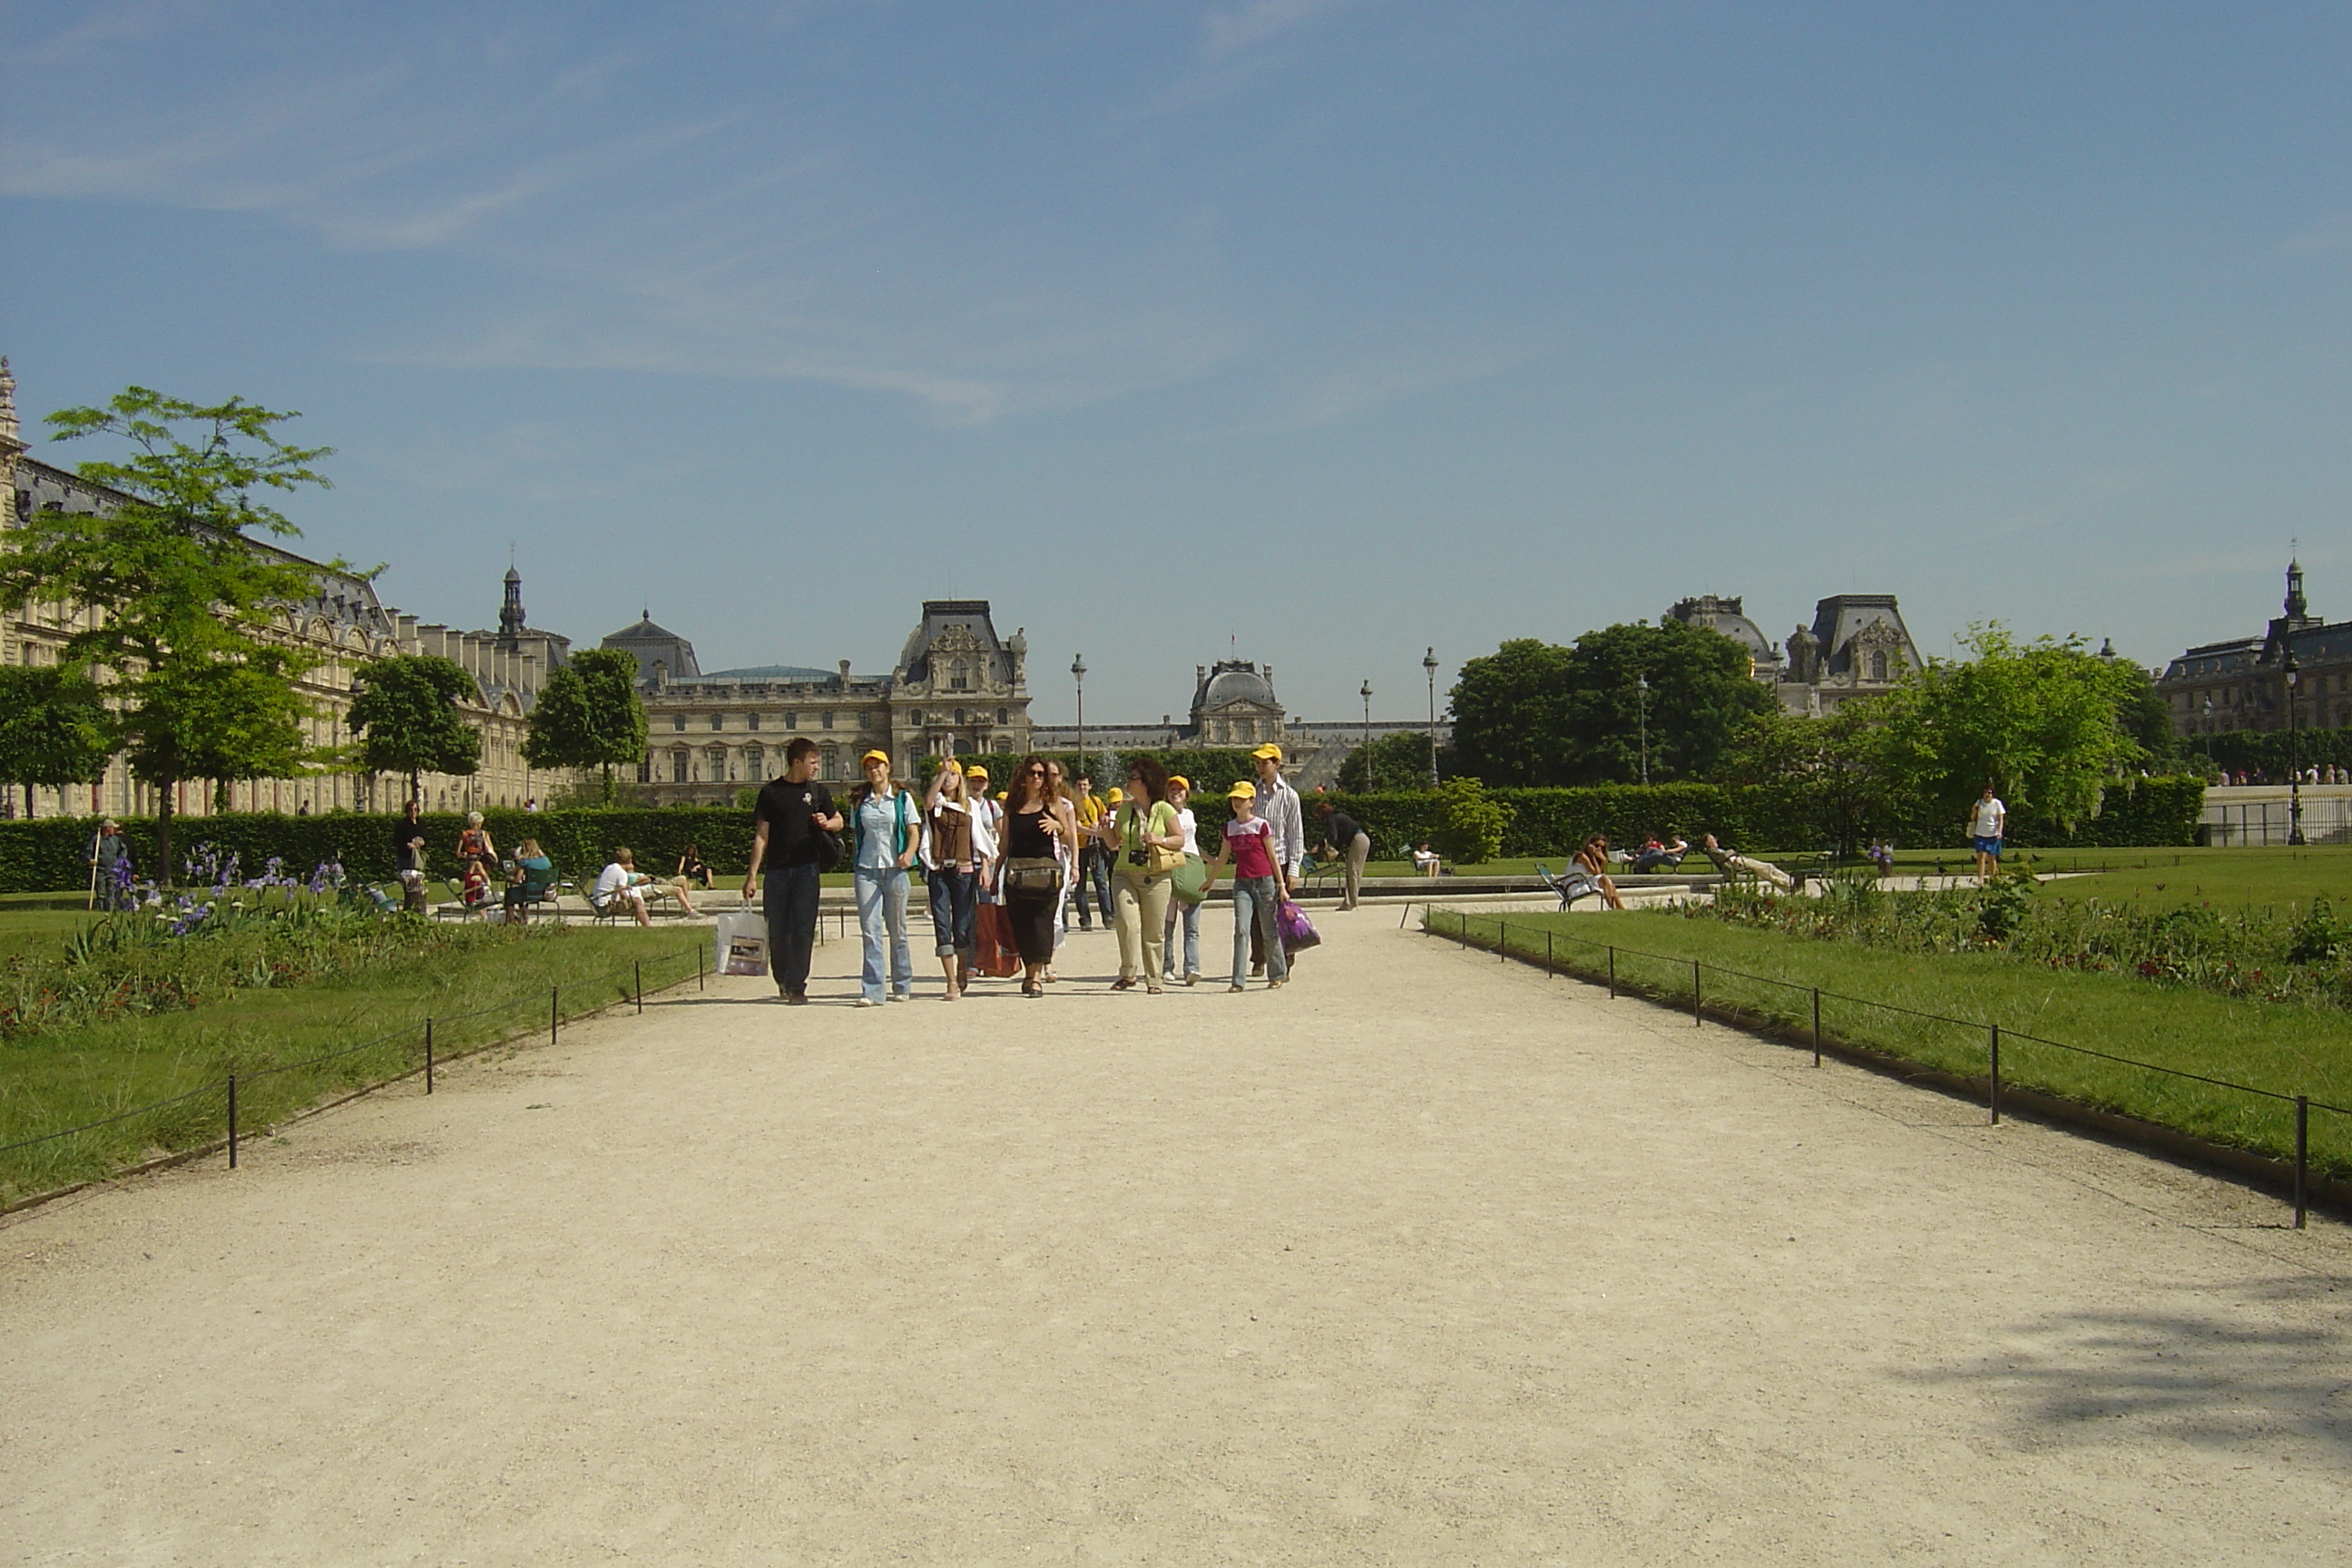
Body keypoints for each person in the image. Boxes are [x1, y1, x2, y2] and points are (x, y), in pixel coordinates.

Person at [743, 737, 841, 1004]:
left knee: (802, 929)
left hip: (807, 869)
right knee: (777, 930)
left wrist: (827, 823)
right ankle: (783, 979)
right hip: (776, 871)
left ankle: (797, 984)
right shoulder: (771, 793)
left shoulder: (818, 791)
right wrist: (752, 875)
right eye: (813, 762)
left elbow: (839, 821)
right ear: (797, 762)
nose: (817, 767)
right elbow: (761, 836)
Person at [1093, 757, 1184, 993]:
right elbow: (1114, 843)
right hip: (1125, 872)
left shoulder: (1164, 809)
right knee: (1126, 923)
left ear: (1146, 782)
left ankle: (1154, 979)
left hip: (1156, 876)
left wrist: (1159, 840)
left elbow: (1179, 840)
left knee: (1153, 931)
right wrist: (1103, 831)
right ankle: (1128, 973)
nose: (1128, 780)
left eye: (1133, 777)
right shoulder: (1124, 809)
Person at [997, 756, 1073, 997]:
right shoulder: (1012, 804)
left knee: (1041, 925)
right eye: (1032, 773)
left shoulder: (1051, 802)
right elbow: (1005, 843)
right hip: (1017, 873)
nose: (1037, 778)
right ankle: (1029, 974)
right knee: (1021, 926)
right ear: (1023, 776)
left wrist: (1058, 827)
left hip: (1045, 873)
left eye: (1041, 774)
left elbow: (1070, 836)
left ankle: (1036, 977)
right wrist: (995, 872)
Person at [848, 750, 918, 1005]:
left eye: (878, 766)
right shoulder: (859, 801)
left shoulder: (902, 799)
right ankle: (873, 990)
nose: (874, 771)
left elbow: (913, 832)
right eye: (869, 768)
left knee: (897, 929)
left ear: (888, 768)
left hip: (895, 871)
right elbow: (857, 835)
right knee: (870, 930)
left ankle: (902, 983)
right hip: (867, 870)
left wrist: (909, 854)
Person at [1205, 780, 1289, 990]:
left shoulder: (1261, 825)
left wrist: (1281, 885)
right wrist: (1210, 880)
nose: (1237, 802)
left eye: (1241, 799)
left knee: (1268, 928)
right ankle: (1238, 980)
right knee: (1241, 930)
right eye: (1234, 798)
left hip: (1264, 881)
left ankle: (1277, 972)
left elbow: (1272, 855)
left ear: (1251, 802)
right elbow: (1223, 857)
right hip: (1242, 884)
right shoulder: (1230, 827)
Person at [924, 760, 984, 1000]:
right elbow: (928, 801)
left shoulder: (969, 806)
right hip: (938, 870)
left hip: (964, 871)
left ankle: (961, 967)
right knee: (941, 924)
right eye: (943, 775)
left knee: (962, 926)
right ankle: (950, 981)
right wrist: (942, 774)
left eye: (953, 775)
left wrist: (987, 866)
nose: (948, 778)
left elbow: (979, 837)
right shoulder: (935, 804)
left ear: (961, 780)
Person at [1249, 746, 1305, 973]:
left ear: (1277, 764)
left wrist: (1293, 869)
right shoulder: (1252, 794)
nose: (1261, 767)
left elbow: (1296, 834)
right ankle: (1259, 958)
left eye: (1265, 763)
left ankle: (1286, 958)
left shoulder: (1290, 795)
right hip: (1257, 862)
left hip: (1280, 860)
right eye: (1258, 763)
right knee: (1256, 914)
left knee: (1283, 914)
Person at [1161, 775, 1204, 984]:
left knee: (1192, 926)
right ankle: (1167, 966)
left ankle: (1192, 967)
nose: (1176, 792)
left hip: (1191, 866)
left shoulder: (1189, 814)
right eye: (1172, 789)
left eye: (1180, 789)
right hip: (1171, 865)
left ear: (1186, 794)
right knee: (1167, 924)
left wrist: (1209, 859)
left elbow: (1192, 841)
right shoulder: (1162, 813)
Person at [593, 847, 696, 926]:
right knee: (636, 900)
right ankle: (648, 926)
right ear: (630, 861)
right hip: (606, 907)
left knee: (636, 899)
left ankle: (687, 906)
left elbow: (618, 888)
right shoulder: (621, 873)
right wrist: (631, 900)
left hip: (598, 904)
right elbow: (622, 894)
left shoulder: (610, 867)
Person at [1314, 799, 1371, 909]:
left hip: (1358, 840)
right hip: (1362, 839)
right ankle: (1349, 901)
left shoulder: (1331, 818)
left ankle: (1351, 902)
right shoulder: (1336, 816)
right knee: (1355, 871)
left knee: (1352, 871)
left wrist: (1323, 846)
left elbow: (1333, 836)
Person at [1070, 772, 1110, 932]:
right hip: (1078, 847)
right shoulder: (1072, 804)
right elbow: (1077, 827)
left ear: (1090, 786)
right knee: (1080, 885)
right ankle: (1085, 919)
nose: (1082, 787)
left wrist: (1101, 825)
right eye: (1079, 785)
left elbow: (1105, 817)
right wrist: (1097, 832)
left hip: (1093, 847)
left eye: (1085, 784)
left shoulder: (1096, 801)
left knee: (1100, 881)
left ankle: (1108, 916)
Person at [1698, 833, 1794, 892]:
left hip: (1738, 861)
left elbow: (1727, 855)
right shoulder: (1711, 851)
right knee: (1766, 868)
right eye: (1712, 839)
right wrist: (1731, 852)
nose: (1715, 840)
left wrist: (1730, 853)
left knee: (1767, 868)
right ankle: (1790, 882)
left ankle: (1788, 883)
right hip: (1736, 864)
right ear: (1707, 843)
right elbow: (1723, 857)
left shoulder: (1717, 850)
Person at [502, 838, 556, 923]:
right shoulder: (546, 861)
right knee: (520, 893)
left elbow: (517, 879)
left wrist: (508, 878)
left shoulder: (524, 862)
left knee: (510, 894)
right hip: (542, 893)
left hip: (527, 893)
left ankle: (512, 921)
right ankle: (524, 919)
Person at [87, 818, 133, 912]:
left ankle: (110, 909)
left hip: (113, 870)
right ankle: (101, 909)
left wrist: (121, 860)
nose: (114, 830)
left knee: (112, 890)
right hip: (100, 869)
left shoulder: (116, 839)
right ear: (107, 828)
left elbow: (123, 849)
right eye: (112, 828)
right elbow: (88, 851)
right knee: (101, 891)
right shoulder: (97, 839)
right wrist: (91, 860)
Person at [1573, 835, 1628, 910]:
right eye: (1596, 845)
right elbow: (1597, 873)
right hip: (1575, 886)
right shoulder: (1582, 856)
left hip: (1583, 882)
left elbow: (1599, 873)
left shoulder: (1589, 856)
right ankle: (1613, 908)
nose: (1599, 849)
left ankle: (1621, 908)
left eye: (1602, 847)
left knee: (1610, 884)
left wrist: (1602, 860)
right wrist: (1595, 857)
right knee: (1604, 879)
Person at [393, 799, 428, 912]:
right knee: (407, 883)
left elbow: (425, 839)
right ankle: (408, 906)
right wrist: (406, 844)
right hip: (405, 857)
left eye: (415, 810)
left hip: (417, 857)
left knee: (417, 883)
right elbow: (396, 841)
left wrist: (422, 843)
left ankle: (417, 905)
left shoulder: (420, 824)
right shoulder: (402, 824)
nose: (413, 812)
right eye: (411, 810)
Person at [1968, 782, 2006, 882]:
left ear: (1992, 794)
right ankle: (1980, 878)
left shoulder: (1997, 803)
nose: (1987, 794)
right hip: (1980, 832)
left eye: (1989, 792)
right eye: (1985, 792)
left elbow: (2000, 819)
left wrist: (1999, 831)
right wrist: (1974, 810)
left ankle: (1993, 878)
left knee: (1991, 857)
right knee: (1980, 855)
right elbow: (1973, 817)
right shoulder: (1979, 802)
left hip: (1992, 833)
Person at [456, 812, 496, 876]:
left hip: (470, 859)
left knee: (470, 877)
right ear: (479, 823)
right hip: (483, 859)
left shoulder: (465, 834)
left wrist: (463, 854)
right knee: (481, 877)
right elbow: (490, 848)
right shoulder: (484, 834)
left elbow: (458, 852)